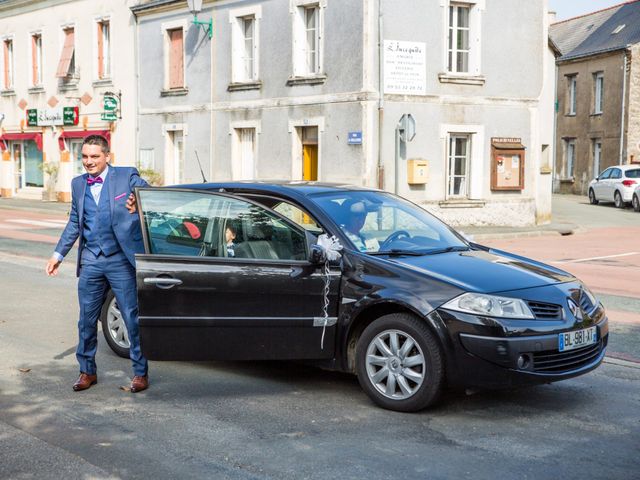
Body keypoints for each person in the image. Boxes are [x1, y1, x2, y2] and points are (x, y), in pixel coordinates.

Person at [45, 135, 150, 393]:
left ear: (107, 157)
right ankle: (87, 371)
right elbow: (74, 222)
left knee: (131, 317)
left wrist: (139, 199)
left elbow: (146, 189)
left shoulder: (125, 176)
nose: (89, 162)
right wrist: (58, 254)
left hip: (119, 259)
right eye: (85, 157)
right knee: (86, 320)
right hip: (91, 259)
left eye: (94, 156)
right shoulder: (78, 184)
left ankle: (140, 373)